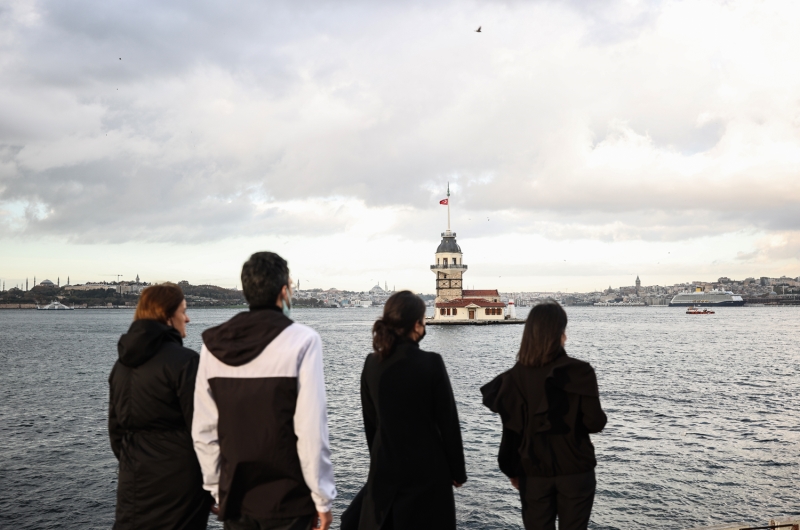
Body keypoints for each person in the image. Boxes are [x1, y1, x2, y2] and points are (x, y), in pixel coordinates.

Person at [192, 252, 336, 530]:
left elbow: (204, 430)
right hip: (288, 499)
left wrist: (216, 488)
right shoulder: (303, 341)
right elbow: (310, 430)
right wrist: (322, 498)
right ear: (283, 291)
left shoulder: (212, 345)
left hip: (236, 497)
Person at [481, 302, 607, 530]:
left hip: (533, 472)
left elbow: (511, 432)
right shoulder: (580, 372)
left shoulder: (513, 379)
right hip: (576, 469)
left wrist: (511, 470)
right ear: (560, 333)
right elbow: (595, 423)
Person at [354, 290, 467, 530]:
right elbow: (448, 423)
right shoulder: (431, 363)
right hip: (427, 474)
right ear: (416, 325)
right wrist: (458, 472)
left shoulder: (371, 364)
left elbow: (371, 424)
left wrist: (380, 461)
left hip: (385, 473)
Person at [109, 283, 212, 530]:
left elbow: (116, 432)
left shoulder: (120, 366)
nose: (187, 318)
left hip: (133, 482)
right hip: (181, 486)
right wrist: (217, 486)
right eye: (183, 311)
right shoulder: (186, 362)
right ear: (167, 316)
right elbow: (203, 430)